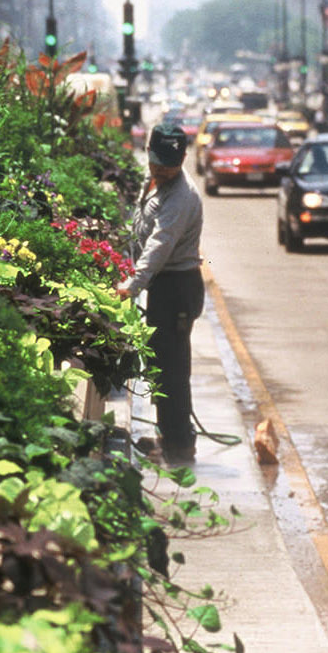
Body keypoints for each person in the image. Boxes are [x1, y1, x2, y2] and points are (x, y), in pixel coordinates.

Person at [119, 123, 205, 466]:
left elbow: (159, 244)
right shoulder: (155, 178)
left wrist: (131, 285)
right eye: (155, 162)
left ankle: (180, 445)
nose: (160, 169)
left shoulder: (181, 197)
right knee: (159, 363)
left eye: (168, 164)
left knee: (172, 369)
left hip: (177, 287)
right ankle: (167, 435)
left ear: (183, 159)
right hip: (164, 286)